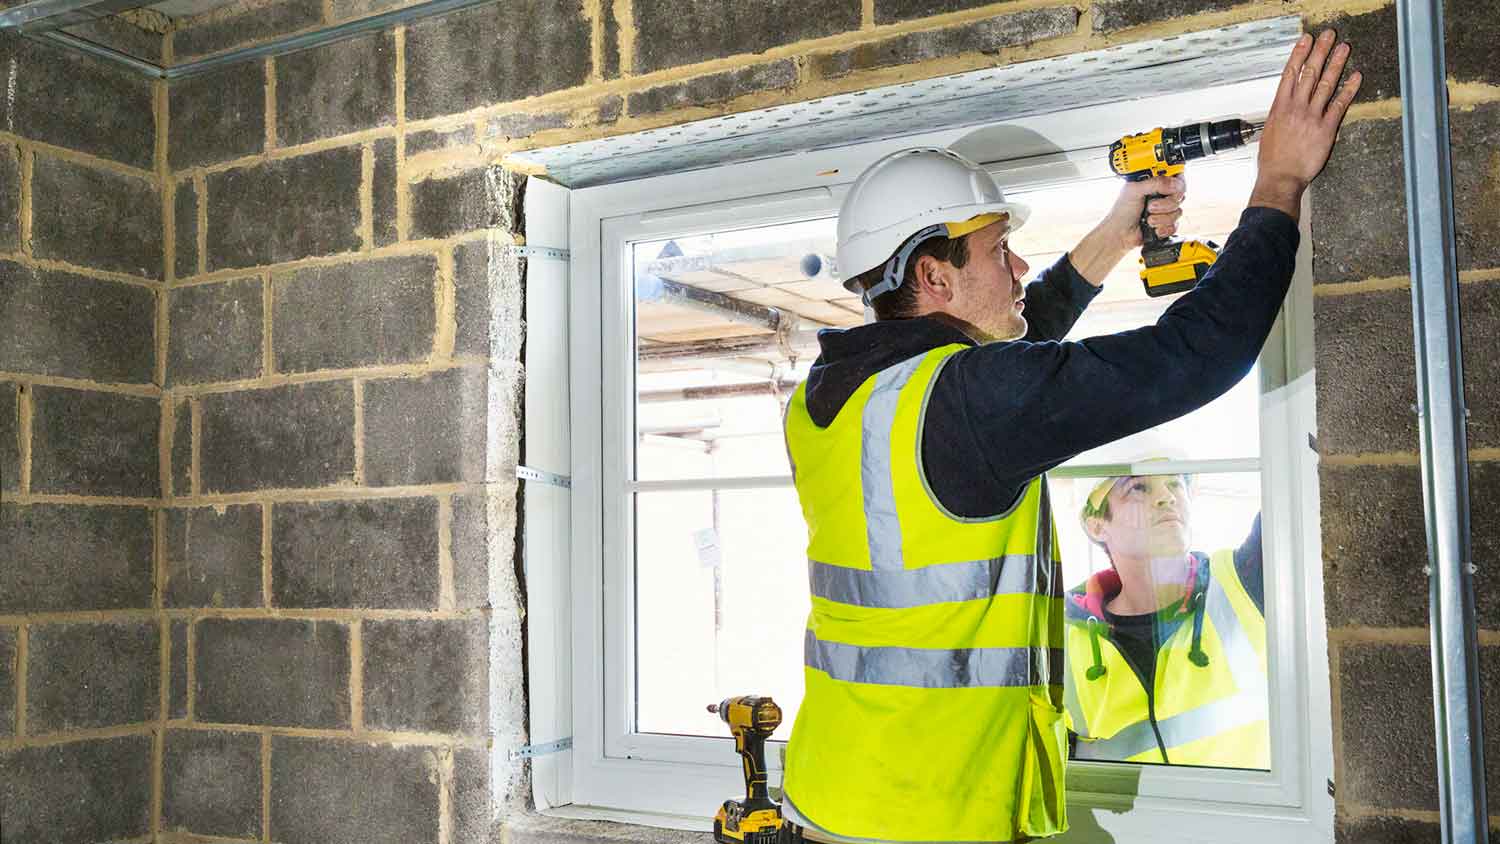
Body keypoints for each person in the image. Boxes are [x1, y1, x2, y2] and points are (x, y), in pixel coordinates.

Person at [777, 29, 1361, 844]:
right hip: (931, 814)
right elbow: (1193, 356)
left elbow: (1007, 363)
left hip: (832, 788)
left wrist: (1116, 238)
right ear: (934, 276)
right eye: (1000, 252)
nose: (1018, 270)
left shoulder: (824, 402)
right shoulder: (971, 400)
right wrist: (1278, 183)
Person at [1065, 471, 1268, 769]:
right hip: (1123, 816)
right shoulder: (1058, 638)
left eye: (1175, 483)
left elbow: (1300, 475)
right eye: (1138, 488)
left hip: (1247, 814)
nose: (1167, 496)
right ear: (1097, 526)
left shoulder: (1243, 582)